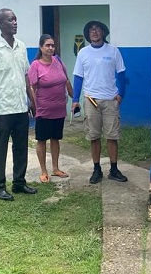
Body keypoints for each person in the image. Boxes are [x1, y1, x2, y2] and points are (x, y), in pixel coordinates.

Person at [0, 8, 38, 201]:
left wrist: (31, 100)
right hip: (3, 108)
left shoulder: (21, 46)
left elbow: (26, 76)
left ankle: (19, 183)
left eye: (15, 19)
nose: (15, 22)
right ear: (1, 24)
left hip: (21, 106)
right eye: (10, 20)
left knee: (21, 146)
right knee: (1, 148)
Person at [71, 20, 129, 184]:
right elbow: (78, 77)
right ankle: (96, 169)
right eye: (91, 30)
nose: (95, 32)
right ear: (88, 34)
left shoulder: (113, 51)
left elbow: (122, 73)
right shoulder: (83, 53)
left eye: (97, 29)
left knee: (112, 136)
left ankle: (114, 169)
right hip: (91, 100)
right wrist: (75, 99)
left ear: (103, 32)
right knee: (94, 136)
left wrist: (121, 94)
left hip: (111, 100)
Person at [28, 34, 73, 182]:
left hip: (59, 110)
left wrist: (75, 97)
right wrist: (35, 106)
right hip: (43, 111)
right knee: (41, 140)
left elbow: (66, 80)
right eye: (47, 45)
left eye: (52, 45)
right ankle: (43, 171)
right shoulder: (35, 65)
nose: (50, 48)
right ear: (41, 47)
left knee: (55, 139)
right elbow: (32, 87)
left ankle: (55, 168)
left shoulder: (58, 61)